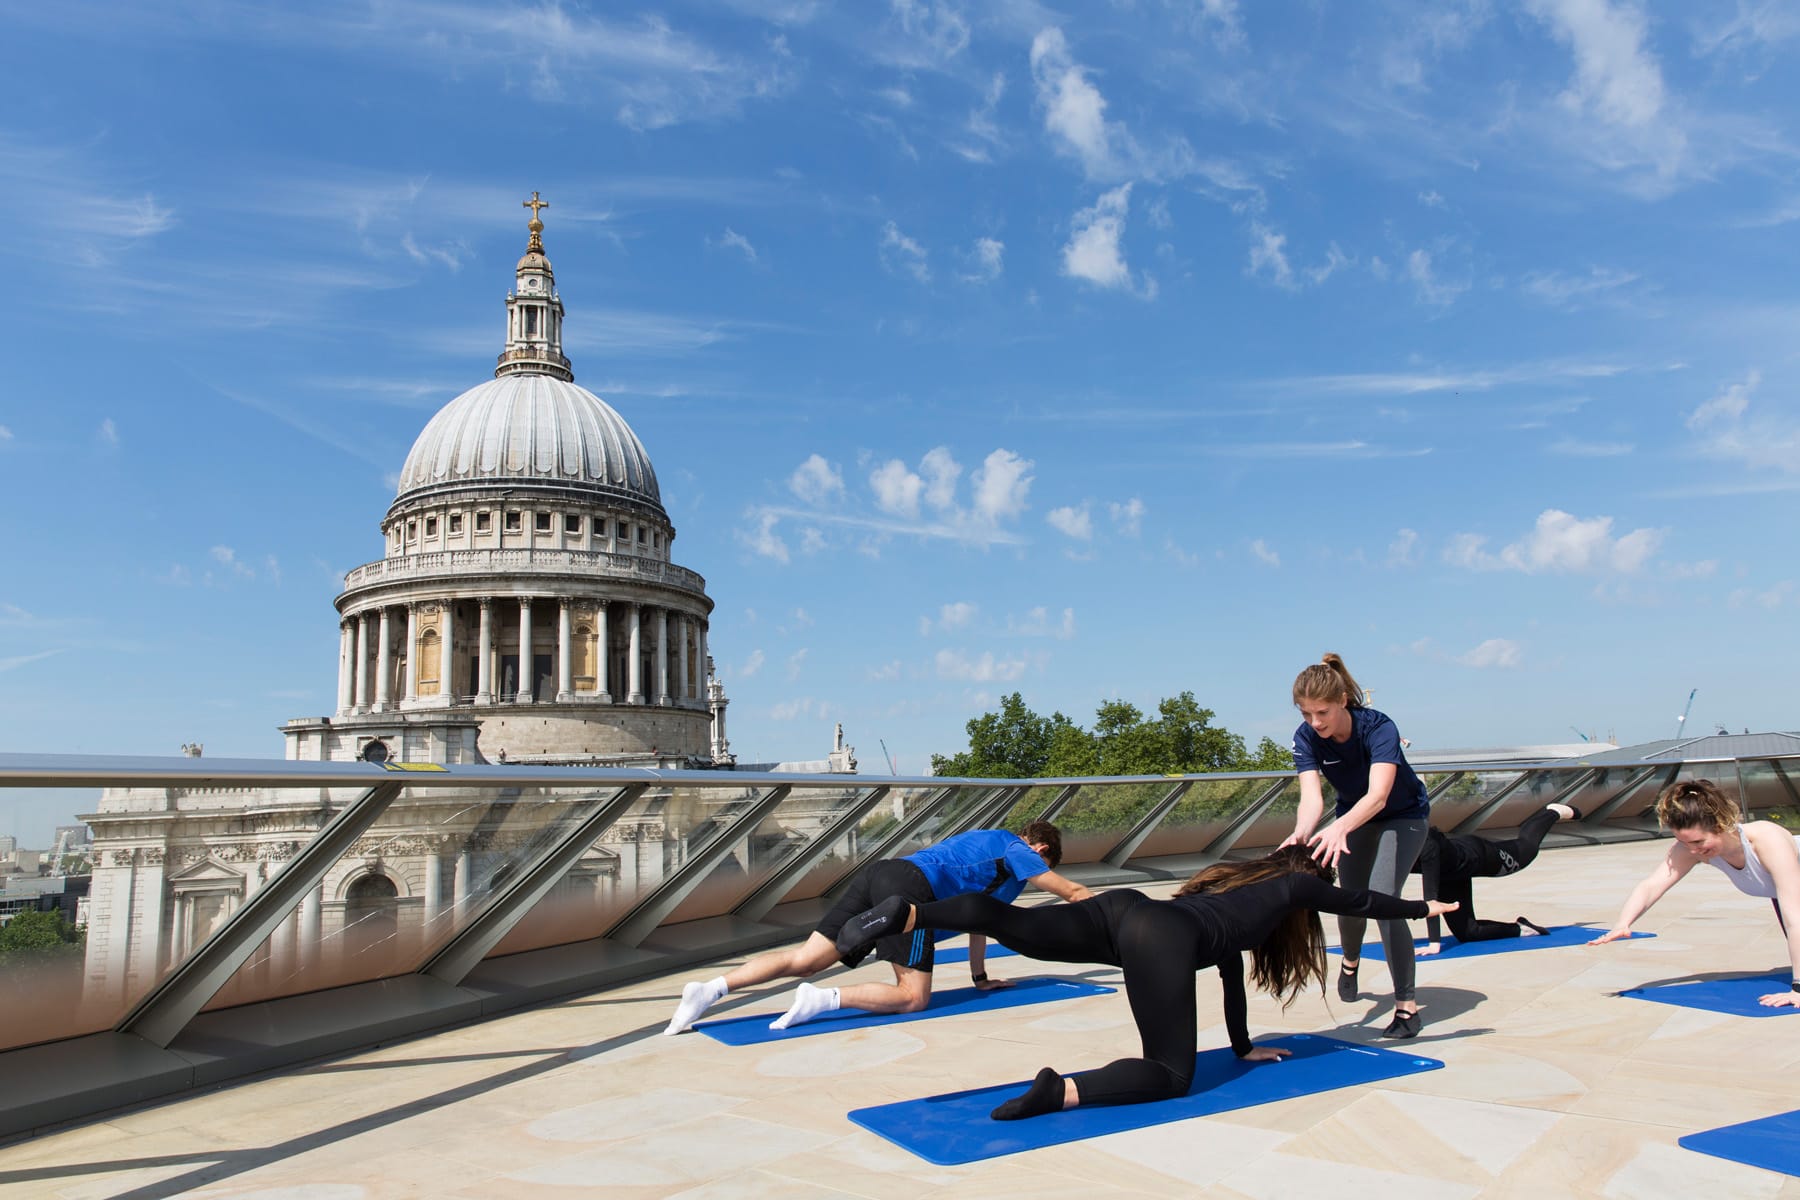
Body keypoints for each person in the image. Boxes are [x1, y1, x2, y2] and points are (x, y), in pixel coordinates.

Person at [834, 844, 1458, 1119]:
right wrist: (1419, 910)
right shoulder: (1292, 887)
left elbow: (1230, 970)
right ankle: (1062, 1092)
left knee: (1014, 923)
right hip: (1157, 937)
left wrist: (1242, 1046)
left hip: (1123, 909)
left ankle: (906, 913)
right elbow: (1355, 901)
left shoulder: (1228, 886)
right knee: (1170, 1074)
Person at [663, 820, 1093, 1034]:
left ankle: (710, 990)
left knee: (806, 958)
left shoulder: (988, 841)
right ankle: (823, 999)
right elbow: (1069, 891)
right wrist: (1118, 914)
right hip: (910, 893)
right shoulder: (1019, 852)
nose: (1032, 873)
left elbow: (980, 918)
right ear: (1040, 849)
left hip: (882, 873)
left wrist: (979, 978)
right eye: (1042, 861)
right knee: (912, 998)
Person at [1282, 653, 1432, 1037]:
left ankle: (1406, 1007)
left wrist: (1339, 828)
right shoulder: (1306, 738)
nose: (1315, 723)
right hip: (1354, 817)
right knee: (1349, 901)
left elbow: (1379, 796)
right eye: (1306, 715)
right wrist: (1301, 834)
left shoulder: (1378, 727)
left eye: (1322, 713)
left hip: (1403, 816)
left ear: (1342, 702)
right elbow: (1312, 799)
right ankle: (1351, 962)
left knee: (1384, 898)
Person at [1592, 779, 1800, 1007]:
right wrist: (1624, 923)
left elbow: (1795, 918)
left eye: (1699, 841)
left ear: (1721, 825)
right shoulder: (1690, 849)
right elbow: (1652, 885)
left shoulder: (1766, 839)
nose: (1692, 850)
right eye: (1683, 841)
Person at [1414, 802, 1580, 952]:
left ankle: (1552, 812)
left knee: (1527, 849)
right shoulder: (1391, 846)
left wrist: (1433, 943)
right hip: (1449, 876)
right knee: (1469, 933)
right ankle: (1522, 929)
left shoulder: (1427, 845)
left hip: (1479, 856)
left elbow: (1431, 897)